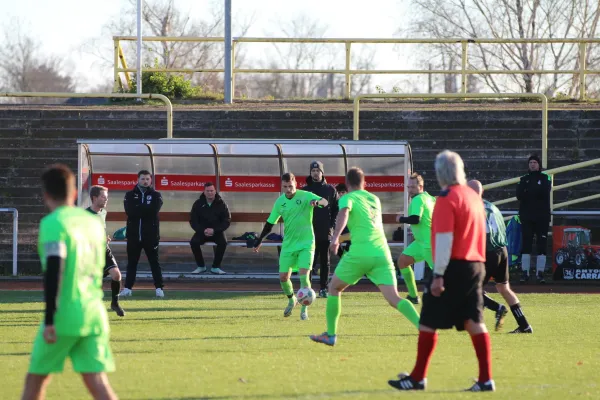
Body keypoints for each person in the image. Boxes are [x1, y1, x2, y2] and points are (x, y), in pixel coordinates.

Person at [389, 150, 494, 392]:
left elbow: (445, 239)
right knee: (474, 321)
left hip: (453, 266)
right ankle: (486, 378)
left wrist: (438, 274)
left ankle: (417, 377)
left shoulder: (447, 198)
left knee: (427, 320)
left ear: (439, 174)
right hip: (476, 264)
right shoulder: (473, 197)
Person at [21, 164, 117, 400]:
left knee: (35, 381)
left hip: (65, 314)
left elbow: (55, 269)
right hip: (93, 313)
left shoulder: (53, 223)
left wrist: (50, 318)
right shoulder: (93, 223)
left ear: (46, 196)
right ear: (74, 194)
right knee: (98, 383)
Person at [309, 167, 420, 346]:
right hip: (382, 253)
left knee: (334, 289)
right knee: (394, 298)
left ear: (347, 184)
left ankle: (330, 334)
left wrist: (336, 237)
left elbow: (344, 212)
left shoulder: (347, 198)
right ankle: (423, 328)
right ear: (364, 184)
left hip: (360, 253)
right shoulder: (374, 199)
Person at [253, 173, 328, 321]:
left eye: (291, 186)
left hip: (307, 243)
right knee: (283, 277)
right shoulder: (279, 202)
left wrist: (316, 202)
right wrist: (260, 239)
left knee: (303, 275)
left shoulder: (305, 195)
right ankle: (292, 299)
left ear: (295, 184)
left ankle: (304, 309)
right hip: (288, 245)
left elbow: (325, 202)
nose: (288, 189)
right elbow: (270, 223)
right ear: (282, 186)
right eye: (285, 187)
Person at [468, 180, 533, 334]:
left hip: (488, 251)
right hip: (502, 250)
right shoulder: (493, 207)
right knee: (503, 288)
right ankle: (524, 325)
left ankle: (496, 310)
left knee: (471, 290)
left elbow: (480, 234)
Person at [121, 170, 165, 298]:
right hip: (134, 236)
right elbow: (130, 211)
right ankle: (128, 288)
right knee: (132, 262)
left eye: (147, 179)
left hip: (150, 236)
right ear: (138, 180)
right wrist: (144, 208)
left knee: (154, 262)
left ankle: (159, 288)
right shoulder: (129, 194)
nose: (145, 181)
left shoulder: (156, 195)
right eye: (142, 179)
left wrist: (139, 208)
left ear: (151, 180)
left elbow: (153, 211)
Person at [86, 185, 125, 317]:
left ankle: (115, 303)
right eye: (103, 197)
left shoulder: (103, 212)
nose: (106, 199)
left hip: (104, 250)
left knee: (117, 275)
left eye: (106, 197)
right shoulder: (84, 215)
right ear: (94, 197)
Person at [396, 173, 435, 304]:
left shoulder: (418, 199)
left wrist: (400, 219)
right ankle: (413, 296)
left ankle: (471, 296)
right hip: (421, 242)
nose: (410, 189)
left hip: (429, 244)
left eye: (413, 187)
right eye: (408, 186)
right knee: (403, 261)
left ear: (420, 186)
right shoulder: (429, 198)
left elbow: (415, 219)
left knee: (443, 276)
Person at [303, 161, 339, 298]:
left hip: (325, 232)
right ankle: (307, 288)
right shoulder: (305, 190)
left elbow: (336, 209)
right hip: (309, 231)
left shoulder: (330, 190)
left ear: (322, 172)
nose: (315, 173)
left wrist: (332, 226)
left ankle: (323, 288)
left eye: (318, 171)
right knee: (309, 261)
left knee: (325, 261)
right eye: (313, 171)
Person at [516, 154, 552, 283]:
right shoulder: (523, 178)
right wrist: (531, 190)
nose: (532, 164)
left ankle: (540, 273)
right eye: (530, 162)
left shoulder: (545, 177)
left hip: (542, 216)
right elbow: (518, 195)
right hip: (527, 216)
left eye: (535, 162)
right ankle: (525, 272)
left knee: (541, 245)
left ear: (539, 164)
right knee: (526, 244)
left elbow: (543, 192)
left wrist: (529, 190)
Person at [189, 182, 231, 275]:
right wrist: (202, 230)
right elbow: (193, 221)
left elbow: (227, 220)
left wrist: (215, 230)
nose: (210, 193)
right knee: (194, 242)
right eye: (207, 191)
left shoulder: (221, 203)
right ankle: (201, 267)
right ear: (204, 192)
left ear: (215, 191)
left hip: (217, 232)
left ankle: (215, 267)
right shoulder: (198, 203)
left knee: (223, 242)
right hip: (202, 231)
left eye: (212, 191)